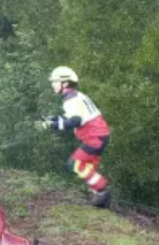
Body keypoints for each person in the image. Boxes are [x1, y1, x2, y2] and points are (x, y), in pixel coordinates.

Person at [36, 67, 112, 208]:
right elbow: (75, 118)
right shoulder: (76, 96)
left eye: (55, 81)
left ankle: (102, 191)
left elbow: (74, 122)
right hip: (99, 135)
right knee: (88, 168)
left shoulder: (71, 100)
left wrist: (51, 125)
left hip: (94, 137)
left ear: (65, 83)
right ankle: (100, 198)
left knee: (74, 164)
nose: (53, 84)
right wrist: (53, 120)